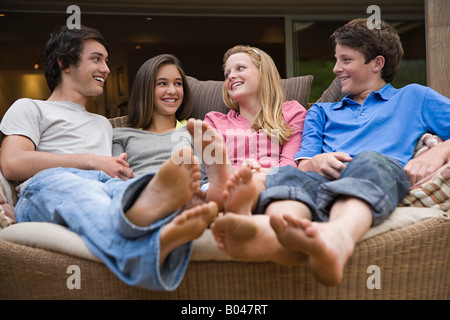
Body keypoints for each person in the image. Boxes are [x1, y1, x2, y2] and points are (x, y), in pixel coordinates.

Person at [209, 18, 450, 286]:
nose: (336, 69)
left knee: (369, 159)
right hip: (324, 180)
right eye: (336, 60)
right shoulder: (321, 112)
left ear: (377, 63)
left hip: (378, 172)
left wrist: (438, 152)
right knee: (287, 178)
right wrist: (316, 161)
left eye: (346, 60)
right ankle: (272, 236)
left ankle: (337, 237)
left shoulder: (415, 97)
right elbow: (300, 167)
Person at [0, 25, 217, 291]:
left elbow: (112, 170)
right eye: (96, 59)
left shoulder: (103, 124)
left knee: (132, 189)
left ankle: (165, 216)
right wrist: (91, 161)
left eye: (106, 61)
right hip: (48, 188)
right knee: (82, 191)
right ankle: (143, 256)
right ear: (64, 62)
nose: (106, 69)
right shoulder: (31, 107)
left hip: (103, 184)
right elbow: (12, 163)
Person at [197, 45, 307, 210]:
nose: (231, 76)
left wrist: (260, 173)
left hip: (273, 184)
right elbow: (214, 169)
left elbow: (289, 163)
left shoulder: (292, 112)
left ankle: (223, 206)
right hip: (226, 182)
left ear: (263, 72)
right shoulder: (214, 121)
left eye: (240, 68)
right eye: (227, 74)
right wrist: (237, 174)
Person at [112, 54, 195, 176]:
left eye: (178, 83)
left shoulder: (196, 132)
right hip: (137, 190)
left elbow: (207, 178)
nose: (172, 91)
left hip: (183, 190)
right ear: (145, 90)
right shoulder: (120, 135)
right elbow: (116, 178)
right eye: (162, 83)